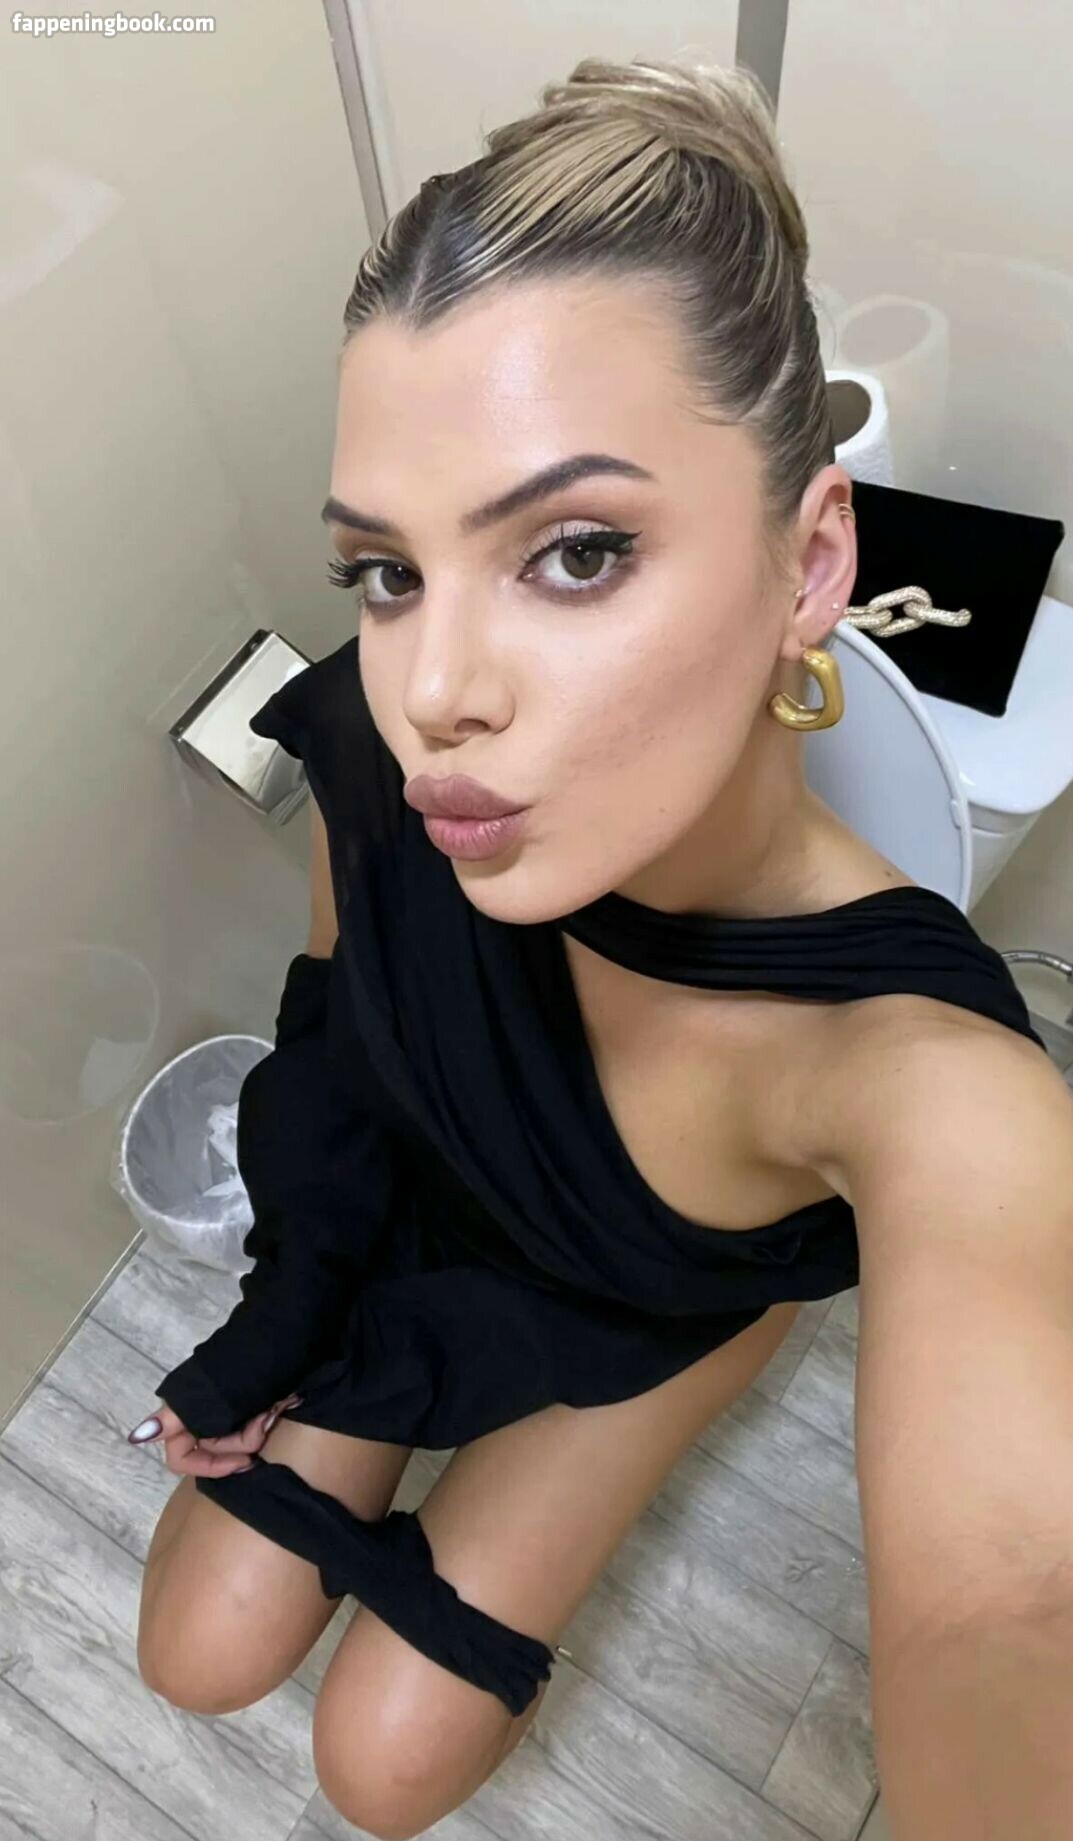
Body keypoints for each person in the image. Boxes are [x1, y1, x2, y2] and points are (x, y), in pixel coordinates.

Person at [128, 56, 1073, 1841]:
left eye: (573, 551)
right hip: (430, 1192)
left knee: (381, 1765)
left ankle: (711, 1353)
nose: (434, 689)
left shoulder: (927, 1083)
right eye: (386, 570)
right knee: (196, 1646)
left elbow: (1007, 1606)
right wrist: (287, 1306)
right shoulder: (386, 745)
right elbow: (336, 1026)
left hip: (632, 1301)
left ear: (808, 563)